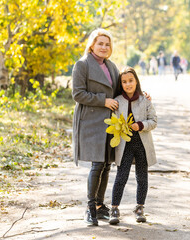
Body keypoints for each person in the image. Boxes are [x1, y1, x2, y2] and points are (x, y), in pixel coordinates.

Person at [72, 28, 120, 226]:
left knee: (107, 164)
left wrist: (141, 96)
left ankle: (100, 207)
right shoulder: (82, 65)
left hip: (110, 123)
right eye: (100, 43)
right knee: (97, 164)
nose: (104, 47)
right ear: (92, 44)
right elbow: (78, 94)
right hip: (90, 121)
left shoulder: (112, 67)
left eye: (107, 44)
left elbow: (120, 91)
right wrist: (104, 101)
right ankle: (90, 208)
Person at [108, 67, 157, 225]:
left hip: (142, 144)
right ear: (120, 84)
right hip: (124, 145)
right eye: (124, 82)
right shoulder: (117, 101)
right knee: (121, 176)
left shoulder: (145, 100)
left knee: (142, 177)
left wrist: (141, 125)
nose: (128, 84)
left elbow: (154, 121)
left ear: (136, 81)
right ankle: (114, 208)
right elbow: (113, 121)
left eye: (131, 81)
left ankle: (140, 207)